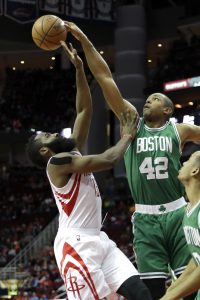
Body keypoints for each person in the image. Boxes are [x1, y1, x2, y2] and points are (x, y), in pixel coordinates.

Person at [64, 21, 200, 299]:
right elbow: (104, 78)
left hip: (178, 213)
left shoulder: (179, 130)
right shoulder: (131, 123)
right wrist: (84, 40)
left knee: (190, 283)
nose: (147, 102)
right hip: (146, 219)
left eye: (154, 99)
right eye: (146, 99)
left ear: (167, 108)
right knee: (150, 290)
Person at [26, 41, 152, 300]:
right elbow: (108, 159)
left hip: (99, 239)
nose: (52, 133)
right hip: (77, 245)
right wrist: (127, 136)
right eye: (47, 136)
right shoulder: (57, 164)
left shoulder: (70, 151)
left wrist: (79, 68)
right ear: (44, 152)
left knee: (140, 293)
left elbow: (84, 109)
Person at [160, 151, 200, 300]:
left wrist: (170, 297)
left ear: (195, 171)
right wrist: (172, 290)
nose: (183, 163)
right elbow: (196, 260)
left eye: (188, 160)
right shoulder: (189, 210)